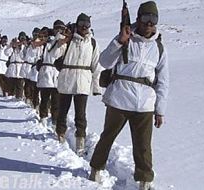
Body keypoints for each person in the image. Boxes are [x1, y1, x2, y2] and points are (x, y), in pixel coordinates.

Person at [89, 1, 169, 190]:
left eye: (153, 19)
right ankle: (96, 169)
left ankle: (144, 181)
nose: (149, 23)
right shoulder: (125, 37)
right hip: (119, 99)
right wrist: (119, 41)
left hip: (145, 104)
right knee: (107, 137)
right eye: (146, 17)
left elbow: (163, 82)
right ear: (138, 18)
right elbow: (105, 61)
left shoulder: (160, 48)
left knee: (143, 146)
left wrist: (160, 110)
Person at [55, 13, 102, 156]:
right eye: (81, 23)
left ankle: (80, 143)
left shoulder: (92, 42)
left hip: (83, 81)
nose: (84, 27)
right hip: (67, 79)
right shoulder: (68, 39)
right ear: (77, 24)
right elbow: (55, 55)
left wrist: (96, 87)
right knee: (63, 110)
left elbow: (96, 65)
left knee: (80, 114)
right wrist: (61, 40)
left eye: (87, 24)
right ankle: (60, 136)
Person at [36, 21, 67, 127]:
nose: (59, 30)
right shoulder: (48, 41)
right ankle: (43, 117)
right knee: (44, 98)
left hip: (57, 73)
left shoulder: (64, 42)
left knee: (56, 100)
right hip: (47, 71)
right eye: (57, 28)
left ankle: (55, 118)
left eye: (61, 28)